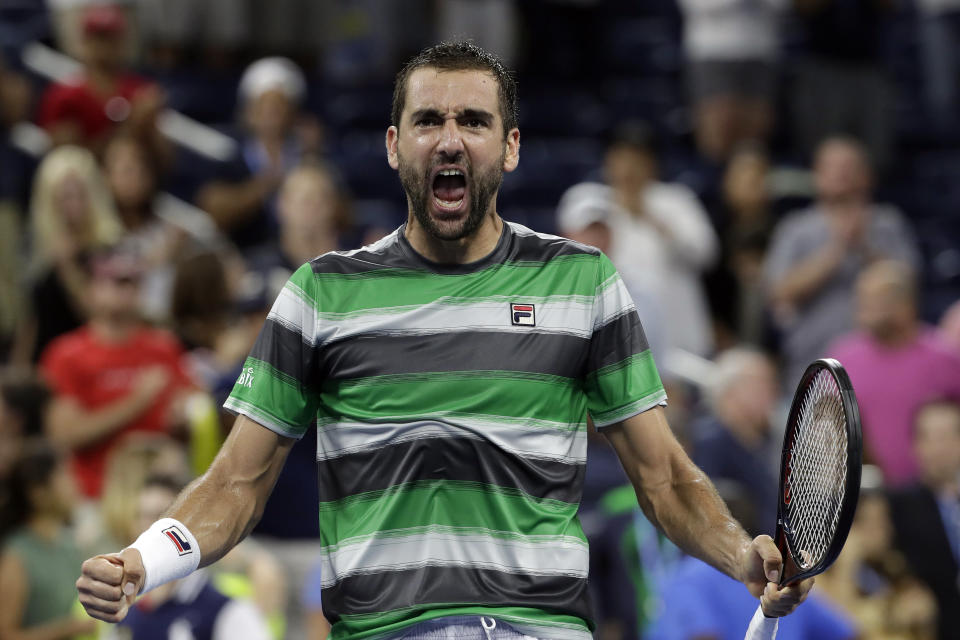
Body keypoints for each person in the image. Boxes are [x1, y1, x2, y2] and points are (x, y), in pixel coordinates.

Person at [77, 42, 812, 639]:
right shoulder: (319, 294)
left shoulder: (583, 284)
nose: (451, 138)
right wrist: (143, 560)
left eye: (474, 120)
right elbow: (235, 483)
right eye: (429, 120)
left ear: (511, 146)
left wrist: (738, 552)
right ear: (395, 147)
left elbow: (665, 478)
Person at [764, 136, 920, 387]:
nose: (841, 175)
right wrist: (835, 251)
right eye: (832, 168)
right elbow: (779, 292)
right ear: (817, 175)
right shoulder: (796, 227)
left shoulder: (888, 222)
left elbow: (908, 285)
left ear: (867, 175)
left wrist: (865, 248)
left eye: (849, 168)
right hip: (813, 364)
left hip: (887, 365)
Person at [40, 247, 194, 499]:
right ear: (90, 290)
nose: (127, 289)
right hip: (96, 495)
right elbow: (64, 436)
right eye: (116, 281)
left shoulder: (164, 347)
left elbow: (189, 412)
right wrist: (138, 401)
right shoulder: (66, 354)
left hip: (159, 492)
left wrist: (184, 418)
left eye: (134, 281)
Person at [829, 261, 960, 485]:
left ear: (906, 305)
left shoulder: (944, 357)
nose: (864, 307)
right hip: (867, 494)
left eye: (876, 300)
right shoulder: (842, 359)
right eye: (862, 298)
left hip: (936, 492)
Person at [105, 473, 273, 640]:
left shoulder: (226, 609)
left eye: (161, 517)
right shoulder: (126, 611)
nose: (150, 529)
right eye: (143, 516)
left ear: (185, 527)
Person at [13, 145, 124, 364]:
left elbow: (96, 316)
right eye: (63, 197)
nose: (72, 205)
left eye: (78, 195)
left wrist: (67, 266)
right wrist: (19, 368)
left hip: (89, 361)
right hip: (45, 357)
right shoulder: (40, 247)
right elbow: (31, 319)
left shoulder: (107, 248)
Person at [37, 4, 166, 159]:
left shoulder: (139, 92)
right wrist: (131, 127)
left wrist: (149, 126)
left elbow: (163, 163)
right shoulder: (64, 96)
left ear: (122, 42)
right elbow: (69, 161)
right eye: (98, 37)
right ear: (85, 41)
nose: (104, 47)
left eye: (111, 38)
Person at [0, 442, 97, 640]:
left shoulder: (72, 545)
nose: (75, 483)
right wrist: (66, 630)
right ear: (38, 492)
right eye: (64, 476)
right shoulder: (17, 555)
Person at [888, 399, 960, 640]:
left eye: (947, 436)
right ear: (915, 445)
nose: (939, 448)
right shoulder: (895, 506)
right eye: (929, 437)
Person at [677, 0, 785, 162]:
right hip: (713, 49)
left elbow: (783, 6)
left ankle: (747, 180)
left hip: (760, 49)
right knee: (718, 126)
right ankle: (715, 180)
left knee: (756, 127)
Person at [692, 348, 781, 531]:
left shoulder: (766, 441)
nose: (772, 392)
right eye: (761, 384)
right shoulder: (710, 442)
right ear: (730, 391)